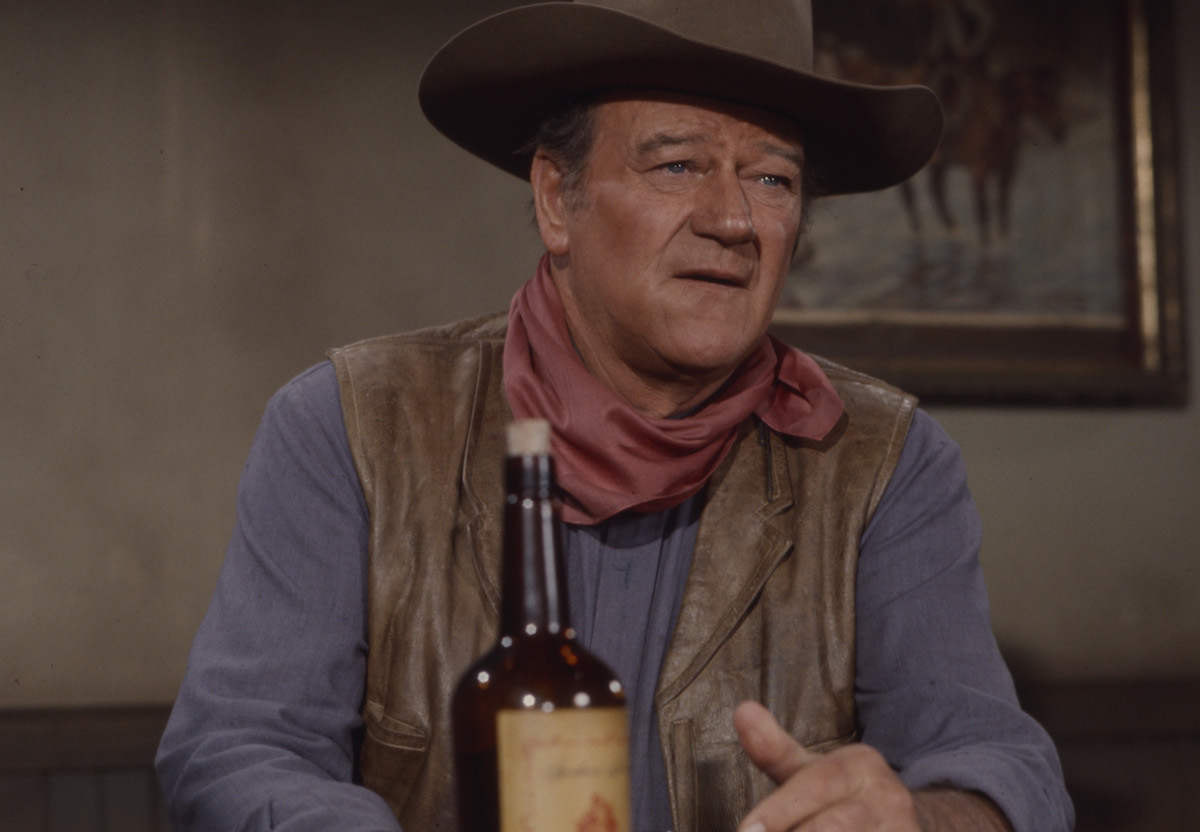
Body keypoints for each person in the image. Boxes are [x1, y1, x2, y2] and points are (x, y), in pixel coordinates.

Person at [156, 1, 1075, 830]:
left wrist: (921, 821)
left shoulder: (884, 460)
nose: (733, 220)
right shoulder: (355, 424)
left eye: (772, 181)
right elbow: (242, 747)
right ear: (557, 199)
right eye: (677, 165)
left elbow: (1000, 764)